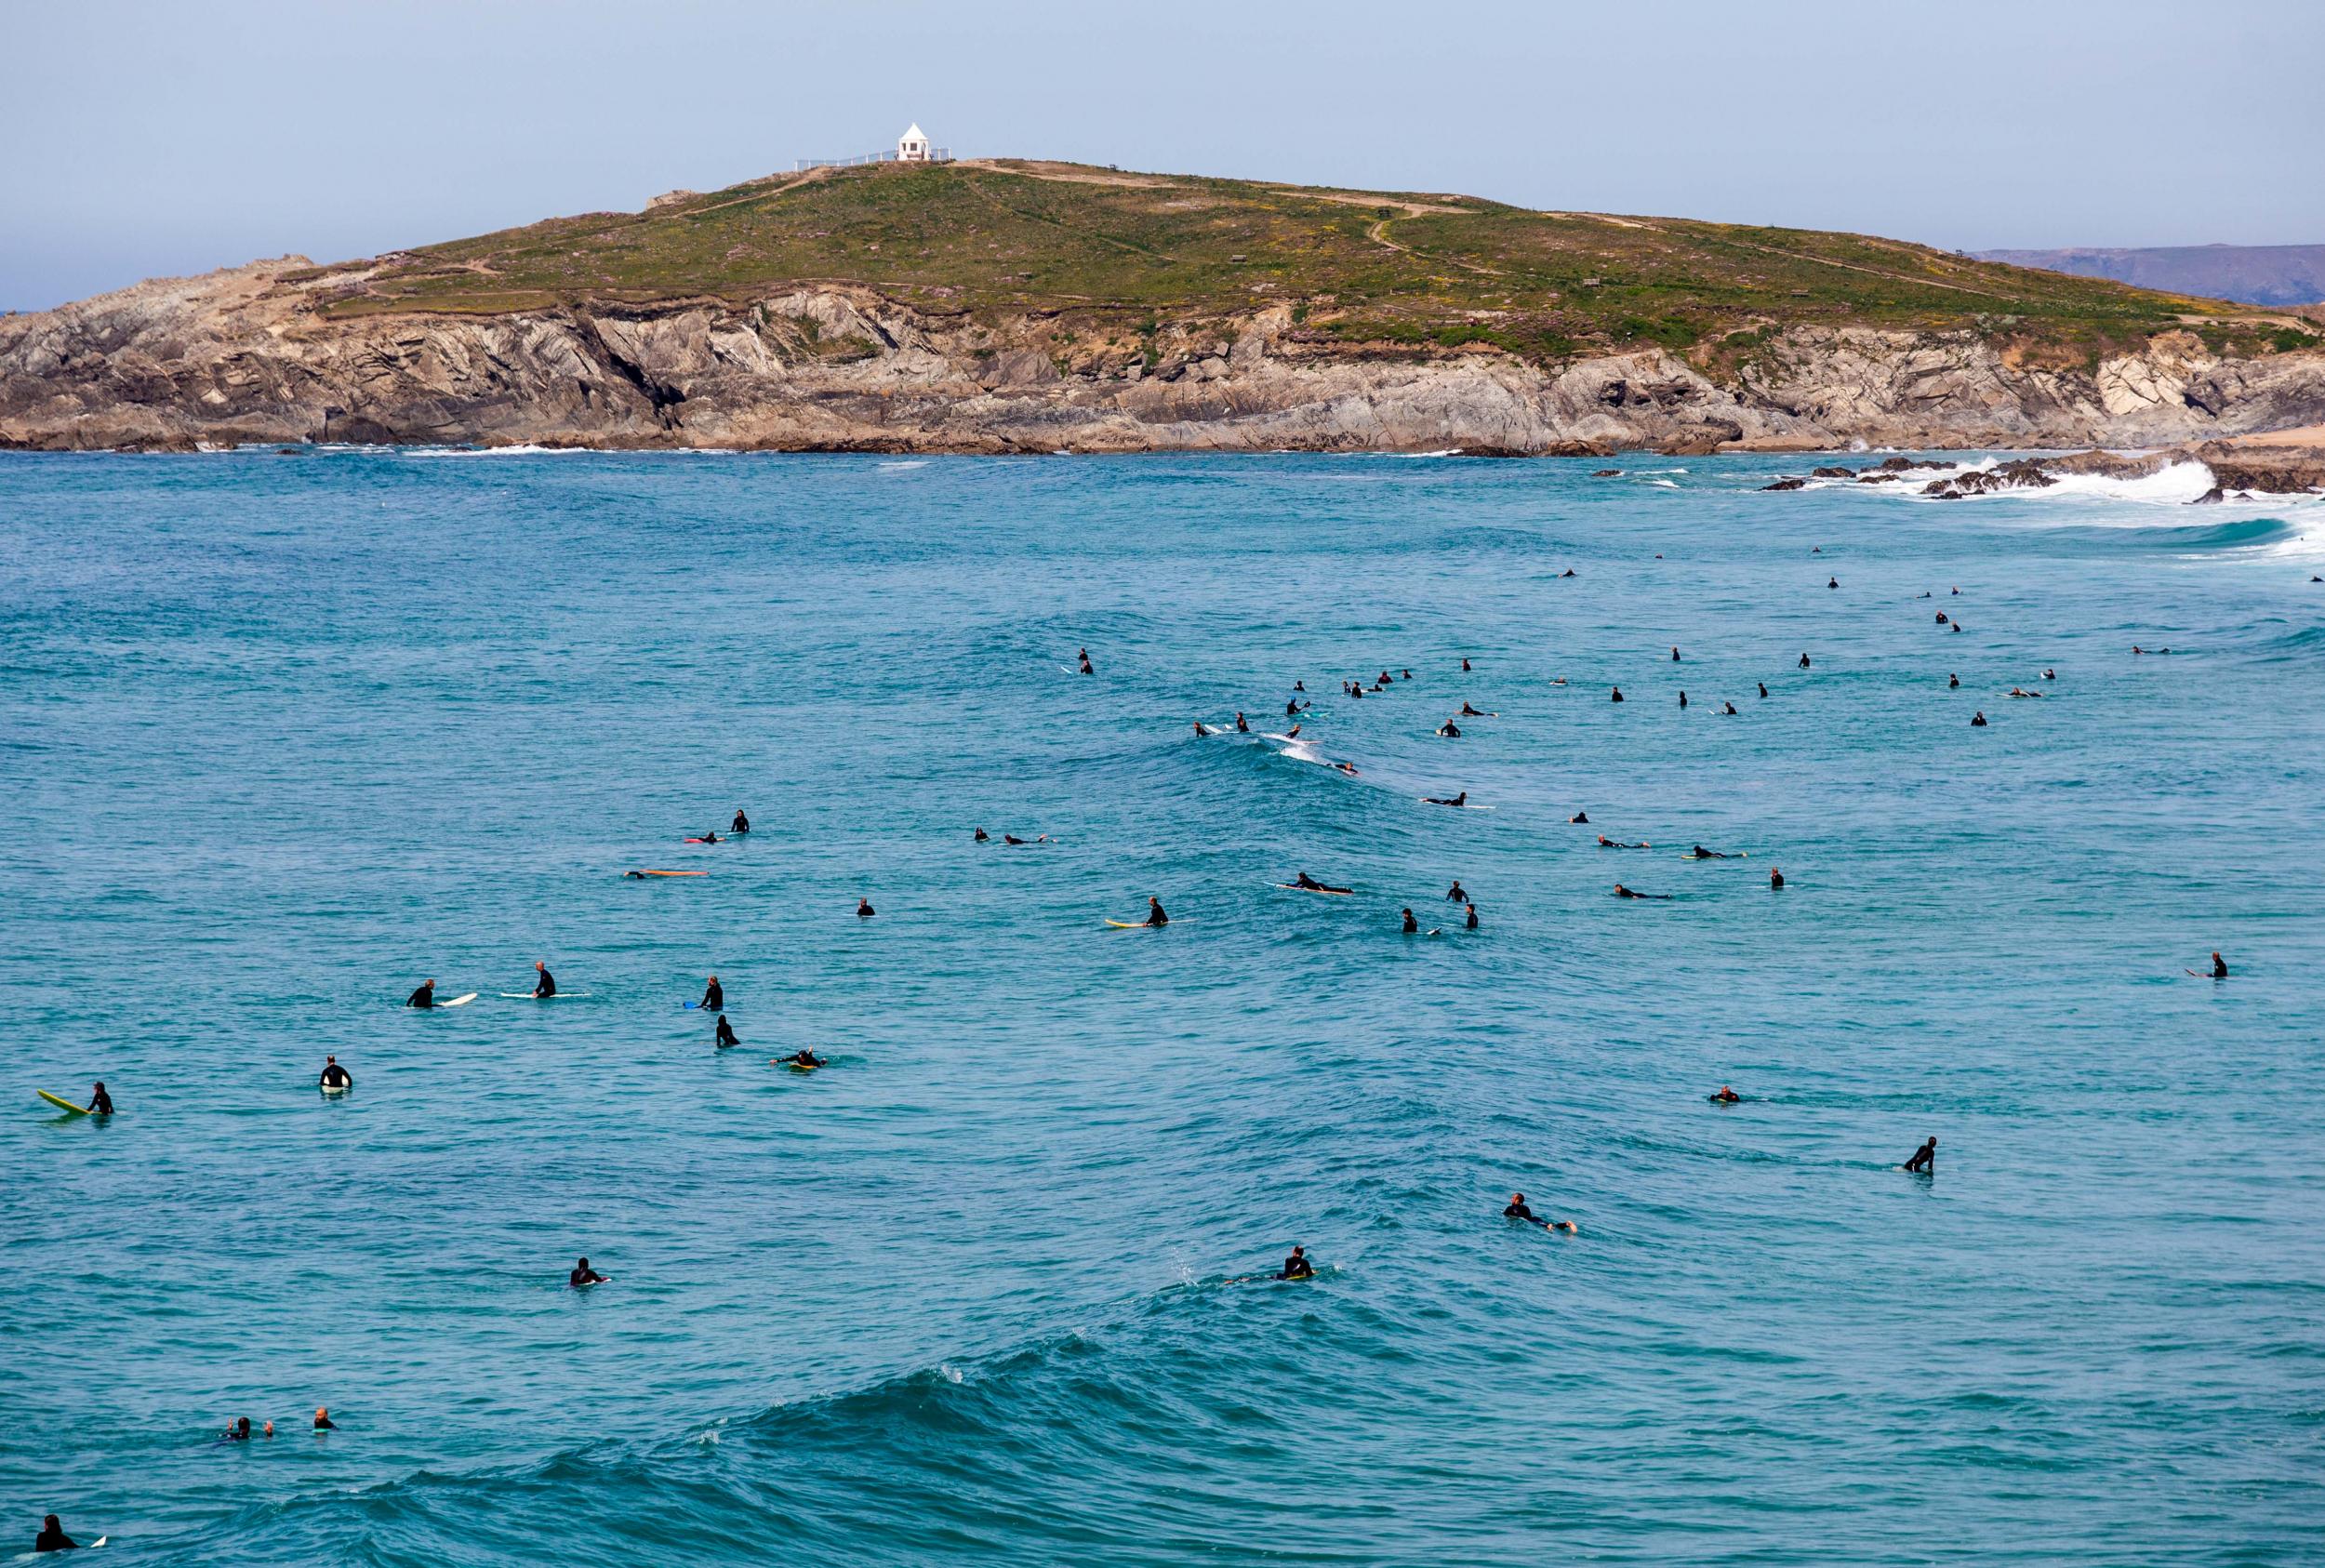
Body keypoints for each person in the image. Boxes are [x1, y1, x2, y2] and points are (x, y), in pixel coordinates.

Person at [1504, 1194, 1576, 1232]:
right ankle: (1566, 1224)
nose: (1511, 1199)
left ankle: (1549, 1226)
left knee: (1547, 1226)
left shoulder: (1510, 1208)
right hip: (1535, 1218)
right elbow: (1528, 1216)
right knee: (1552, 1225)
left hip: (1528, 1220)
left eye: (1513, 1198)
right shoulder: (1526, 1207)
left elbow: (1505, 1214)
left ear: (1517, 1200)